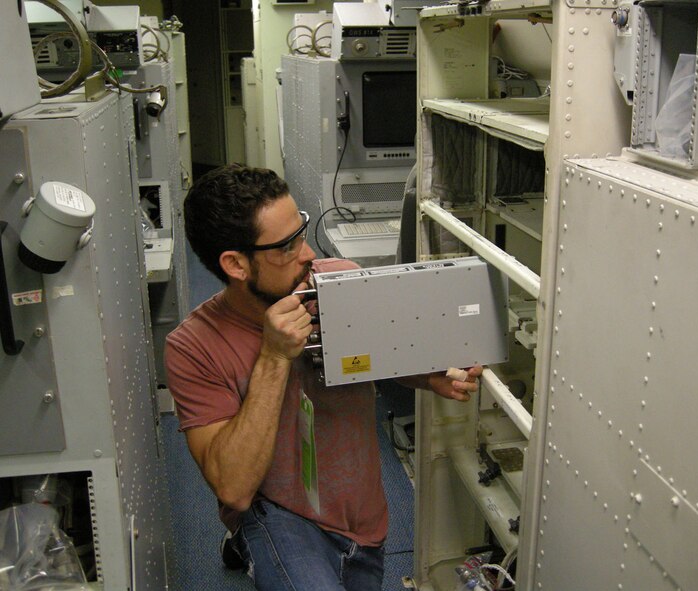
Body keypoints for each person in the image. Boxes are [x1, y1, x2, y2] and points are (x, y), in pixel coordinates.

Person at [165, 164, 482, 591]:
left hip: (361, 513)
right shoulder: (193, 348)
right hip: (280, 514)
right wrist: (274, 356)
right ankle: (246, 545)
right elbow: (234, 489)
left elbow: (384, 357)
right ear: (235, 264)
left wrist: (432, 376)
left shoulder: (338, 280)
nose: (308, 254)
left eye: (302, 232)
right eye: (286, 246)